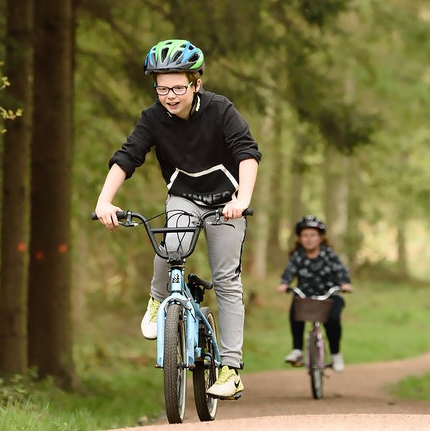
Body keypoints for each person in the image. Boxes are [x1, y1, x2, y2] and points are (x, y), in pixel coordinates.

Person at [95, 39, 261, 400]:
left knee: (227, 280)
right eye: (161, 88)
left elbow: (247, 154)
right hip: (184, 198)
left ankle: (231, 369)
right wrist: (105, 201)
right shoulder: (153, 118)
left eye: (177, 87)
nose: (169, 95)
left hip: (225, 204)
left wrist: (242, 199)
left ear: (196, 83)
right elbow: (127, 157)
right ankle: (158, 302)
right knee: (171, 245)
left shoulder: (221, 110)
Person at [276, 215, 353, 372]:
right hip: (306, 295)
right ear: (299, 238)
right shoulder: (298, 256)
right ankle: (297, 350)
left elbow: (340, 270)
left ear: (320, 237)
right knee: (295, 307)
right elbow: (289, 272)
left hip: (329, 294)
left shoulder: (328, 254)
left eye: (313, 235)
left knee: (333, 320)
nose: (309, 239)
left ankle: (336, 353)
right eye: (305, 235)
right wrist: (284, 284)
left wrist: (345, 284)